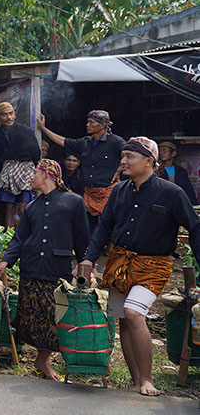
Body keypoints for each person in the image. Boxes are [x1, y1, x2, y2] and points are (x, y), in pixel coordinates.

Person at [80, 137, 200, 396]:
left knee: (134, 313)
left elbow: (195, 228)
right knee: (124, 321)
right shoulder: (118, 191)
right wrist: (88, 259)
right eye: (122, 156)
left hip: (154, 266)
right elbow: (103, 227)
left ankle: (147, 379)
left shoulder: (172, 193)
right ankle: (136, 381)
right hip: (120, 263)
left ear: (149, 161)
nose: (123, 161)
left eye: (129, 157)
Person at [0, 159, 90, 381]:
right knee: (32, 319)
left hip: (56, 269)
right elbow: (19, 239)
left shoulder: (73, 201)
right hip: (31, 268)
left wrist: (85, 264)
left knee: (53, 318)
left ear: (47, 174)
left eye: (35, 172)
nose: (31, 177)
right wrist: (6, 261)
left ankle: (43, 360)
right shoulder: (32, 207)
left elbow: (82, 238)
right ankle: (41, 361)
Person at [38, 110, 125, 233]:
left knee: (108, 228)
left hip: (108, 194)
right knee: (88, 229)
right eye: (87, 122)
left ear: (103, 125)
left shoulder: (115, 142)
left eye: (91, 122)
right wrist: (43, 128)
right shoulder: (85, 142)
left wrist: (119, 169)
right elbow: (63, 141)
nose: (87, 125)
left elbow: (130, 153)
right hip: (89, 195)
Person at [0, 102, 41, 228]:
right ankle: (9, 235)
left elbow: (36, 152)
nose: (8, 117)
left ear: (14, 114)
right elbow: (0, 154)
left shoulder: (25, 131)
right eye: (4, 115)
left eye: (11, 114)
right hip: (8, 168)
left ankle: (25, 234)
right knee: (9, 208)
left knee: (23, 208)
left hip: (25, 168)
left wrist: (33, 170)